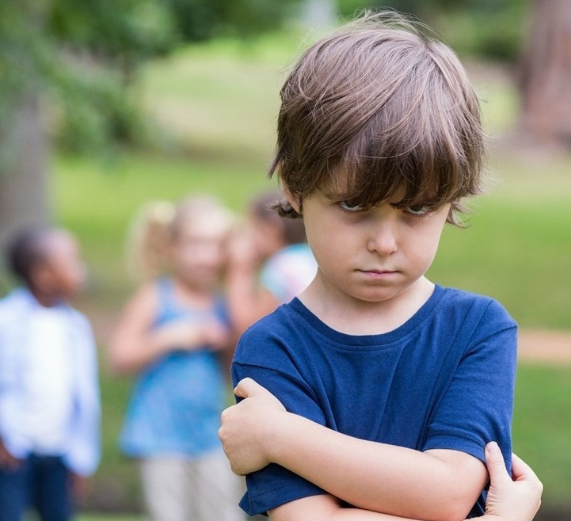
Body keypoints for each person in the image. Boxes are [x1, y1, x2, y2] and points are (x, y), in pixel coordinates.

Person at [215, 12, 538, 521]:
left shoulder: (478, 329)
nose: (385, 243)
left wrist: (280, 435)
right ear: (295, 190)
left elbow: (449, 493)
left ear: (450, 202)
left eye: (416, 209)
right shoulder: (273, 348)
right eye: (353, 207)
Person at [109, 196, 243, 521]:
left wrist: (226, 340)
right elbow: (119, 357)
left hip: (209, 433)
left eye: (215, 246)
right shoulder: (156, 297)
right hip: (160, 437)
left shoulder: (221, 304)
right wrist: (169, 337)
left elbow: (231, 374)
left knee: (225, 512)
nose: (207, 256)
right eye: (195, 245)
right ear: (171, 248)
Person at [0, 227, 100, 521]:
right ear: (43, 275)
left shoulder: (77, 327)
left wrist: (82, 456)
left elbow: (83, 393)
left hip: (62, 451)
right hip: (12, 447)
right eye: (71, 261)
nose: (81, 269)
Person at [227, 191, 317, 336]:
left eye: (249, 227)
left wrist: (240, 268)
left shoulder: (282, 266)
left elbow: (248, 327)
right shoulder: (308, 257)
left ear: (271, 228)